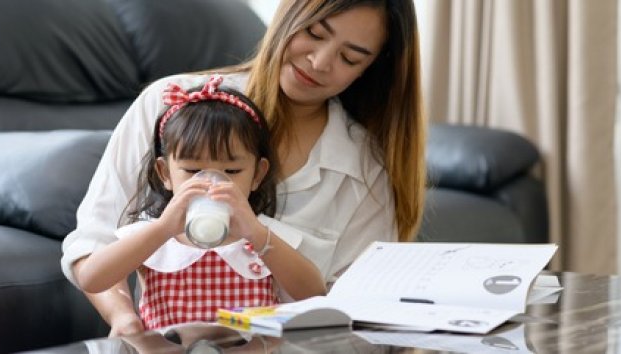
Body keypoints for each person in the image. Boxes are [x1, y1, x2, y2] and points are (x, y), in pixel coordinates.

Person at [62, 0, 425, 336]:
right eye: (314, 33)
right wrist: (124, 319)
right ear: (288, 17)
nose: (320, 61)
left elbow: (355, 304)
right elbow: (91, 245)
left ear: (369, 70)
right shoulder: (171, 104)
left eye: (350, 57)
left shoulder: (362, 167)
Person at [74, 76, 326, 329]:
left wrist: (256, 233)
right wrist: (163, 229)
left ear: (257, 175)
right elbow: (91, 279)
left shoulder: (264, 237)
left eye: (232, 171)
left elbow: (314, 294)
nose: (212, 183)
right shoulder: (153, 235)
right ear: (165, 174)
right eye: (193, 170)